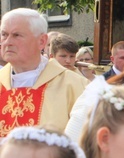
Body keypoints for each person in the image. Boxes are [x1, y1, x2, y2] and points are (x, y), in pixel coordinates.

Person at [0, 8, 88, 137]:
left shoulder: (75, 86)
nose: (7, 42)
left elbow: (85, 142)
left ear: (41, 41)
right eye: (4, 35)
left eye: (16, 35)